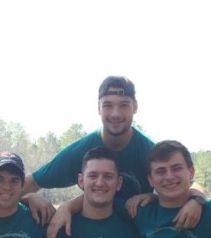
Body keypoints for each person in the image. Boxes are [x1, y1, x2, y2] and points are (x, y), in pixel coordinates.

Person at [20, 76, 155, 202]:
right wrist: (30, 199)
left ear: (135, 107)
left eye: (124, 105)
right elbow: (31, 182)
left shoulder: (151, 153)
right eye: (107, 106)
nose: (115, 114)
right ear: (98, 108)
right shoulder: (78, 152)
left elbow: (174, 191)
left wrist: (153, 197)